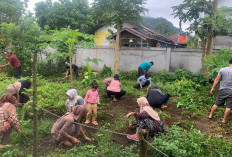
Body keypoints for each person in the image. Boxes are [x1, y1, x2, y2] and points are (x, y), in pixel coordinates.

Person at [209, 59, 232, 124]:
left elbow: (217, 79)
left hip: (223, 90)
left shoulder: (222, 69)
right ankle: (224, 120)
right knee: (229, 106)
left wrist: (213, 88)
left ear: (228, 62)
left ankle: (210, 115)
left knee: (216, 103)